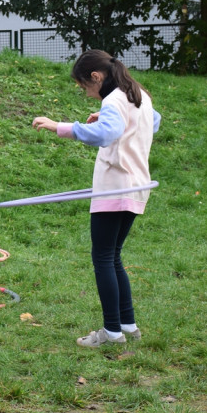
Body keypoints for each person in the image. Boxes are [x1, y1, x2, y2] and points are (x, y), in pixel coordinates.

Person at [32, 49, 160, 348]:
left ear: (96, 77)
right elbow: (151, 122)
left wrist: (58, 126)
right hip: (136, 187)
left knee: (103, 258)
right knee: (113, 257)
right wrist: (110, 118)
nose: (87, 94)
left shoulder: (114, 99)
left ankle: (112, 333)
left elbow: (105, 135)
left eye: (85, 87)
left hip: (115, 187)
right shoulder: (137, 94)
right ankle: (127, 326)